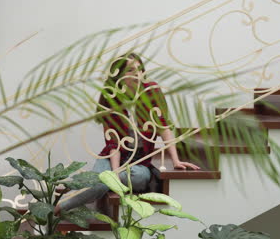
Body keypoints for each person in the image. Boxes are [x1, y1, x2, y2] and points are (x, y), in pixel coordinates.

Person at [55, 53, 200, 214]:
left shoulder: (151, 91)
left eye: (140, 69)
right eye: (131, 70)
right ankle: (61, 207)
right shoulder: (111, 98)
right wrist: (115, 174)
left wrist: (176, 160)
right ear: (119, 76)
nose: (137, 74)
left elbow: (163, 127)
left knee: (137, 178)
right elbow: (114, 143)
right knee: (104, 180)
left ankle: (72, 192)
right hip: (112, 158)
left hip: (139, 162)